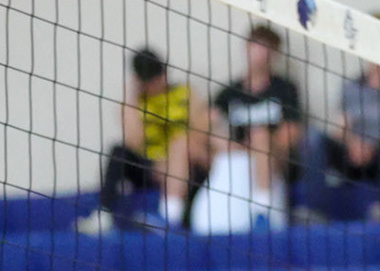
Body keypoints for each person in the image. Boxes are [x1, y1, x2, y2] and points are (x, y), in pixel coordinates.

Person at [188, 25, 301, 235]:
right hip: (233, 156)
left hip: (273, 157)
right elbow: (201, 129)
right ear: (247, 48)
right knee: (191, 141)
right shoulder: (228, 93)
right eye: (256, 46)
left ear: (274, 54)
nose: (260, 53)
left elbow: (291, 133)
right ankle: (171, 215)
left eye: (267, 48)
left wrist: (259, 148)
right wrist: (222, 143)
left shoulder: (285, 89)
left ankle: (262, 212)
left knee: (260, 135)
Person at [78, 48, 195, 235]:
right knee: (118, 151)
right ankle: (103, 214)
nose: (158, 83)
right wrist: (131, 95)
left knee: (180, 144)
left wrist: (171, 161)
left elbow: (199, 134)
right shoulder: (136, 102)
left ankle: (170, 218)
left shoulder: (184, 94)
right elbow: (134, 141)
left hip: (181, 164)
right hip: (149, 165)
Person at [301, 50, 380, 223]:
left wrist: (373, 146)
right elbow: (339, 128)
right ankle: (314, 212)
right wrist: (353, 143)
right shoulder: (351, 87)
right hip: (353, 152)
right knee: (313, 137)